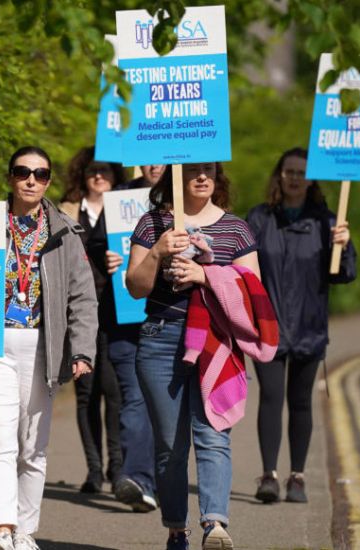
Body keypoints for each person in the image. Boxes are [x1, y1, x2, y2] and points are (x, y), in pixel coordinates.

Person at [0, 146, 98, 550]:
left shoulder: (64, 231)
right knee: (1, 441)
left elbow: (83, 297)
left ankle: (26, 530)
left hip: (43, 347)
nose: (32, 180)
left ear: (49, 181)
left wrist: (82, 351)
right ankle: (1, 529)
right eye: (23, 171)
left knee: (33, 447)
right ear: (10, 177)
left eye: (41, 174)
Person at [125, 163, 260, 550]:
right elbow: (135, 288)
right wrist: (156, 252)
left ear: (218, 178)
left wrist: (206, 275)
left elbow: (254, 289)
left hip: (217, 343)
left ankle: (215, 524)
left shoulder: (235, 228)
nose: (202, 177)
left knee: (213, 434)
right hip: (160, 339)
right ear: (176, 176)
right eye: (194, 170)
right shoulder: (153, 223)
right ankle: (175, 529)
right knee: (170, 446)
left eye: (210, 171)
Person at [245, 147, 355, 504]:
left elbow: (344, 275)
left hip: (309, 328)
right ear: (279, 175)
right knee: (271, 398)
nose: (294, 177)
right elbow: (243, 270)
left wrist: (345, 246)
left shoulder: (327, 222)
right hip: (268, 327)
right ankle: (269, 476)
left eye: (301, 172)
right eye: (288, 171)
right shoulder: (260, 219)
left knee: (301, 401)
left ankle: (297, 477)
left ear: (312, 179)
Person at [58, 147, 125, 493]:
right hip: (79, 315)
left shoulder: (130, 210)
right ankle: (94, 471)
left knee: (114, 392)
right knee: (86, 393)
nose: (99, 177)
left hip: (117, 315)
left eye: (106, 171)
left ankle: (117, 466)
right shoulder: (65, 211)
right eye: (92, 171)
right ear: (82, 175)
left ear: (116, 175)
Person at [103, 163, 166, 512]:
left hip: (170, 321)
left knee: (163, 406)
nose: (155, 165)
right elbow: (94, 246)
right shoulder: (119, 199)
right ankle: (137, 478)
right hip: (125, 321)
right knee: (134, 400)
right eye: (148, 158)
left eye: (163, 158)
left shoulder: (186, 201)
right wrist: (107, 259)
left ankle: (155, 480)